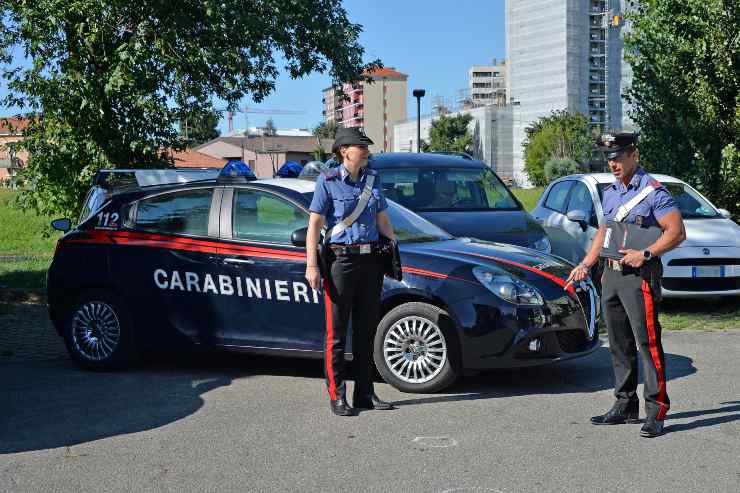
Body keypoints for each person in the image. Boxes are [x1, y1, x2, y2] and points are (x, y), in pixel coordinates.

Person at [565, 131, 686, 438]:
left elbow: (676, 232)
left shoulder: (653, 192)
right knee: (619, 344)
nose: (613, 164)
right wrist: (587, 263)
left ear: (634, 155)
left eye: (618, 158)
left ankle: (656, 410)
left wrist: (646, 253)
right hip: (612, 275)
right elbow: (603, 231)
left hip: (639, 277)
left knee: (647, 344)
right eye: (609, 159)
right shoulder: (610, 192)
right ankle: (625, 404)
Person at [305, 127, 396, 417]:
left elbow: (383, 221)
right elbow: (315, 226)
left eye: (367, 147)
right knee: (337, 333)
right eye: (361, 146)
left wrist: (394, 251)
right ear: (345, 151)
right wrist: (311, 265)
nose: (367, 151)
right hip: (340, 263)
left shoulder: (373, 179)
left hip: (370, 264)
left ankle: (365, 394)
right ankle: (337, 395)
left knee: (367, 330)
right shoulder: (328, 181)